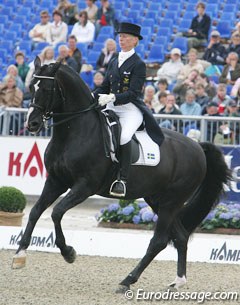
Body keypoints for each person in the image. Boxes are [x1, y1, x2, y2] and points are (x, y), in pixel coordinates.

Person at [93, 22, 164, 197]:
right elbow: (105, 86)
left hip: (130, 109)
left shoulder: (138, 64)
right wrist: (93, 95)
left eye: (125, 37)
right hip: (111, 106)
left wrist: (114, 97)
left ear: (134, 41)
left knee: (124, 136)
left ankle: (122, 179)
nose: (121, 39)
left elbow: (133, 92)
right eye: (120, 36)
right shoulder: (114, 60)